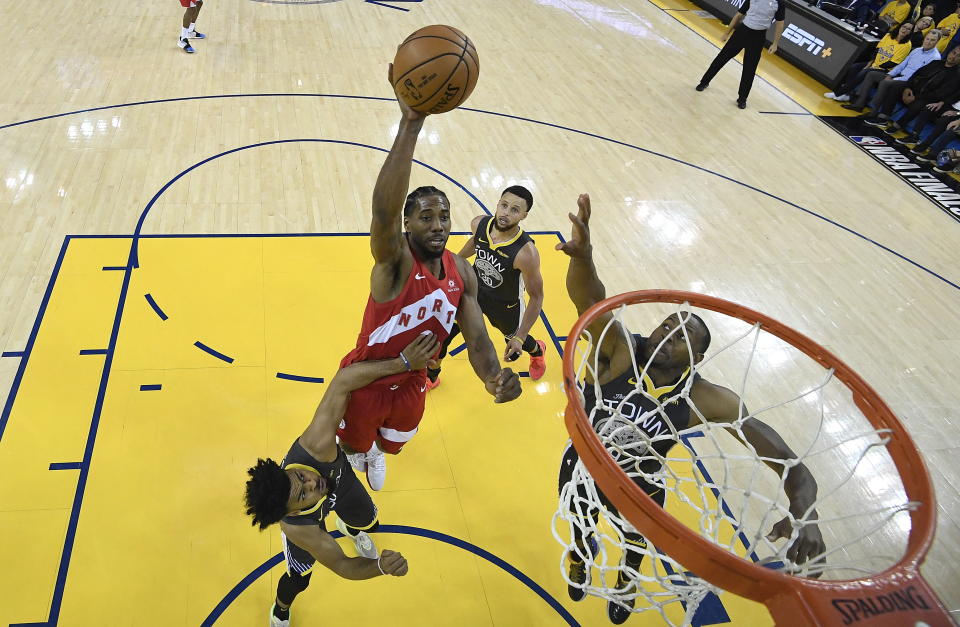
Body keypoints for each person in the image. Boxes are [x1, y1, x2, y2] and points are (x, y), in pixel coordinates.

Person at [554, 194, 825, 624]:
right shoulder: (621, 351)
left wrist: (806, 516)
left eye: (683, 336)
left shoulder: (707, 399)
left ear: (696, 358)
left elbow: (790, 464)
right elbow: (589, 300)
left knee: (635, 544)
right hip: (585, 468)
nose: (667, 333)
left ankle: (625, 582)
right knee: (580, 528)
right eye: (666, 324)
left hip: (642, 483)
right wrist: (584, 257)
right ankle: (581, 560)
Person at [335, 65, 522, 492]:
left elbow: (476, 340)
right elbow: (382, 211)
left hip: (413, 382)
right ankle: (356, 461)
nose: (437, 225)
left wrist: (493, 377)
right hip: (368, 378)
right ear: (407, 224)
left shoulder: (462, 273)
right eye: (425, 217)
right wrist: (410, 125)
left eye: (444, 217)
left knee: (392, 443)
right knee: (348, 452)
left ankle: (377, 452)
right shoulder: (394, 261)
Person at [244, 333, 440, 627]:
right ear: (293, 510)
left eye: (300, 476)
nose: (311, 483)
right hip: (315, 519)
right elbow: (342, 564)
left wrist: (402, 363)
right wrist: (379, 568)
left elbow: (342, 381)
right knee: (298, 580)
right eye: (302, 494)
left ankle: (348, 526)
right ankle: (281, 610)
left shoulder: (316, 445)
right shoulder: (298, 527)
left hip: (340, 481)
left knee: (369, 523)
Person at [427, 185, 547, 388]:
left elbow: (536, 297)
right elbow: (477, 242)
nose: (506, 213)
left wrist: (520, 336)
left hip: (505, 306)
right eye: (504, 205)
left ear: (524, 216)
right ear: (498, 203)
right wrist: (454, 262)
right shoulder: (479, 224)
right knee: (443, 335)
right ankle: (431, 377)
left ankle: (537, 351)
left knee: (516, 340)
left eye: (514, 210)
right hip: (473, 293)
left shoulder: (527, 253)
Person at [695, 0, 785, 109]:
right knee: (721, 58)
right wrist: (726, 33)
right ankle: (704, 82)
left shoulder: (779, 2)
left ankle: (742, 99)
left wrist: (775, 43)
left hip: (758, 38)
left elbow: (780, 23)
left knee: (749, 69)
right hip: (742, 32)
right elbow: (739, 14)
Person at [843, 29, 943, 113]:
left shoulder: (935, 57)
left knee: (885, 82)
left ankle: (873, 111)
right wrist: (891, 74)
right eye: (927, 39)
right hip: (899, 75)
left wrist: (895, 78)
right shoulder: (917, 50)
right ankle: (859, 104)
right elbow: (902, 64)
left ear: (937, 42)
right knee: (871, 74)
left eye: (932, 40)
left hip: (909, 82)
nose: (928, 42)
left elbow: (920, 76)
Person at [873, 45, 960, 130]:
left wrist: (915, 97)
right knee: (897, 86)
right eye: (953, 53)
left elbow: (940, 94)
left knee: (919, 104)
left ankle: (898, 125)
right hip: (913, 90)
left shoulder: (956, 75)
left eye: (958, 56)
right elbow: (916, 74)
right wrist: (908, 88)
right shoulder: (936, 63)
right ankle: (883, 117)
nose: (953, 56)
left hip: (927, 98)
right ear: (950, 52)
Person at [825, 22, 914, 101]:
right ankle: (847, 94)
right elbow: (877, 50)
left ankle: (838, 93)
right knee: (854, 67)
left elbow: (893, 62)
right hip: (874, 63)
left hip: (886, 70)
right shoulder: (888, 36)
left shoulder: (907, 45)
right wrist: (870, 63)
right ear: (900, 27)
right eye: (904, 27)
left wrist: (874, 66)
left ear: (910, 32)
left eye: (908, 29)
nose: (905, 30)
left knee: (864, 72)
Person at [895, 93, 960, 144]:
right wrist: (941, 103)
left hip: (957, 114)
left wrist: (957, 113)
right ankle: (914, 136)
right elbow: (953, 96)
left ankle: (926, 146)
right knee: (928, 108)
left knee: (944, 121)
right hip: (950, 106)